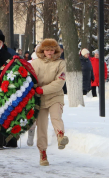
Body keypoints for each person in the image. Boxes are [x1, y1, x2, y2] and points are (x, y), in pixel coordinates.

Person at [31, 38, 69, 166]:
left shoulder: (60, 63)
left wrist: (43, 89)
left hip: (55, 96)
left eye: (52, 49)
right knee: (41, 126)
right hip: (39, 98)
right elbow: (29, 78)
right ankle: (43, 153)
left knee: (56, 116)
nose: (49, 52)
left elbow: (59, 83)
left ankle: (60, 136)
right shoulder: (35, 63)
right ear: (42, 50)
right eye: (47, 49)